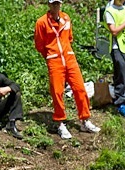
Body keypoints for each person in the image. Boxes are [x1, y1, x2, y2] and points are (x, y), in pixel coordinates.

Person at [34, 0, 100, 140]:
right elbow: (39, 45)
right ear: (49, 5)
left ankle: (85, 120)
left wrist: (66, 52)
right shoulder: (41, 22)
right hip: (54, 60)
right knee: (57, 92)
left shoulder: (66, 18)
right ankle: (60, 122)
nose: (56, 6)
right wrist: (50, 56)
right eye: (53, 4)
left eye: (58, 3)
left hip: (69, 58)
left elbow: (69, 38)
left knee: (80, 89)